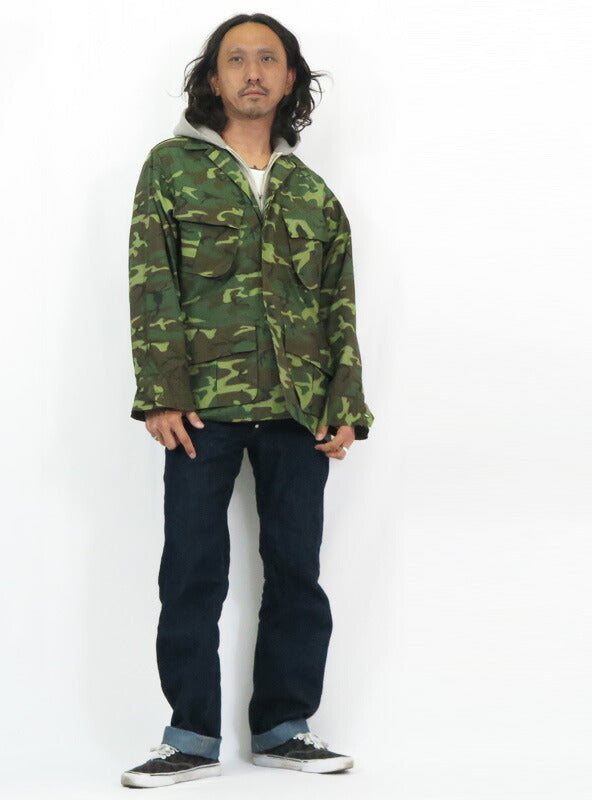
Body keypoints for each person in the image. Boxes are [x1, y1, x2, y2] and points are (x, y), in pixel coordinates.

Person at [120, 12, 374, 789]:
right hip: (202, 409)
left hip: (299, 412)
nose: (253, 72)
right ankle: (190, 737)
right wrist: (161, 392)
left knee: (297, 571)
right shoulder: (172, 168)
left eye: (268, 59)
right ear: (214, 77)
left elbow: (337, 305)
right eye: (237, 60)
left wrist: (345, 404)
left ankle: (284, 729)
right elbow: (151, 279)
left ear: (290, 79)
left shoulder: (312, 193)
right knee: (192, 572)